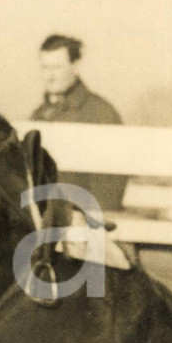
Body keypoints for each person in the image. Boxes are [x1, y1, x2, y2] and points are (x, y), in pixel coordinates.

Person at [32, 34, 128, 212]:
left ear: (75, 67)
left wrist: (94, 223)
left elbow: (112, 183)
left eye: (57, 67)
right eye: (45, 67)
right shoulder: (38, 116)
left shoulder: (101, 114)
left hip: (83, 224)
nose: (49, 76)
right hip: (45, 224)